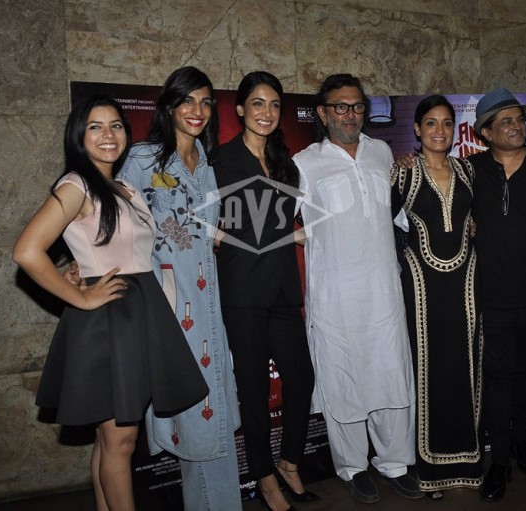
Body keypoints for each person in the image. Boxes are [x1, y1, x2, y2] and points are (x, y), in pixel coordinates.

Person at [12, 96, 209, 511]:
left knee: (111, 440)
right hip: (108, 323)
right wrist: (81, 296)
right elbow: (27, 251)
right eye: (96, 126)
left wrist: (79, 269)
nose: (108, 135)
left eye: (116, 125)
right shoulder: (76, 185)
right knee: (121, 440)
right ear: (78, 136)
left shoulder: (125, 188)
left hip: (138, 315)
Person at [292, 73, 422, 504]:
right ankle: (352, 467)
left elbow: (399, 212)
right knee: (343, 378)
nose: (350, 115)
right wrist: (308, 239)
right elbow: (274, 220)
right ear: (323, 112)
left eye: (358, 106)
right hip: (336, 297)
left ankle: (396, 462)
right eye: (340, 107)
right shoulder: (304, 163)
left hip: (384, 290)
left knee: (391, 374)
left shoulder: (381, 152)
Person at [118, 67, 243, 510]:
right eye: (187, 100)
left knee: (214, 414)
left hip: (209, 303)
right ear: (169, 106)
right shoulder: (143, 160)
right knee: (196, 418)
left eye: (205, 102)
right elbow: (113, 221)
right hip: (171, 307)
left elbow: (207, 234)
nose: (197, 110)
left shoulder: (206, 166)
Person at [212, 71, 317, 511]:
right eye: (258, 103)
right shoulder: (220, 161)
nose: (267, 113)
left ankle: (289, 462)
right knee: (253, 392)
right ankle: (263, 477)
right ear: (240, 109)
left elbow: (286, 222)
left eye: (275, 105)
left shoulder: (285, 162)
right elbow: (212, 225)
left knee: (303, 377)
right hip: (242, 291)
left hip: (283, 290)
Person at [390, 95, 483, 499]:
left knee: (465, 366)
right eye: (431, 123)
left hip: (466, 284)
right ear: (417, 129)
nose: (439, 131)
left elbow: (484, 218)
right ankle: (429, 468)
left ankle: (467, 461)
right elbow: (377, 225)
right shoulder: (403, 174)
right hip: (422, 286)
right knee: (427, 371)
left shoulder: (469, 170)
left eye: (447, 123)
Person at [469, 88, 526, 502]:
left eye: (519, 118)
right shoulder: (471, 170)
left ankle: (522, 442)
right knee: (498, 378)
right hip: (492, 296)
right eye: (505, 121)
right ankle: (500, 460)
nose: (516, 126)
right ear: (486, 133)